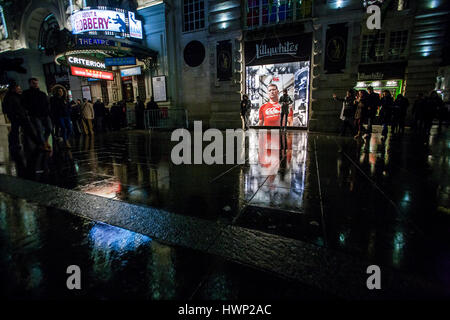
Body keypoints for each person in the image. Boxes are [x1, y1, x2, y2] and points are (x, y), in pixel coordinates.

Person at [2, 81, 45, 151]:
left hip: (22, 116)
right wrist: (13, 115)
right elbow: (7, 108)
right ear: (13, 89)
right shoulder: (9, 97)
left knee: (24, 130)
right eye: (18, 88)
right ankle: (15, 145)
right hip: (16, 117)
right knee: (17, 131)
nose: (20, 89)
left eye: (19, 88)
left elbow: (23, 105)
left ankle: (37, 144)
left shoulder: (18, 96)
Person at [22, 78, 53, 151]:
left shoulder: (42, 93)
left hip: (45, 114)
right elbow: (24, 104)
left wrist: (48, 112)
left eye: (36, 83)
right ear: (30, 84)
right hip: (35, 115)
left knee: (49, 128)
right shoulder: (26, 93)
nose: (36, 85)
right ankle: (43, 145)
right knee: (39, 130)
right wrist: (29, 111)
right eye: (33, 83)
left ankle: (44, 141)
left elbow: (47, 103)